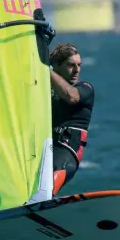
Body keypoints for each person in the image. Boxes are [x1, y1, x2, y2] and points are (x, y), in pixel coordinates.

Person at [49, 43, 95, 196]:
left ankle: (40, 200)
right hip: (42, 151)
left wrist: (44, 70)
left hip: (66, 153)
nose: (77, 70)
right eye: (71, 65)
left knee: (52, 179)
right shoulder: (42, 91)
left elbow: (71, 96)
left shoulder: (85, 88)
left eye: (79, 65)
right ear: (56, 65)